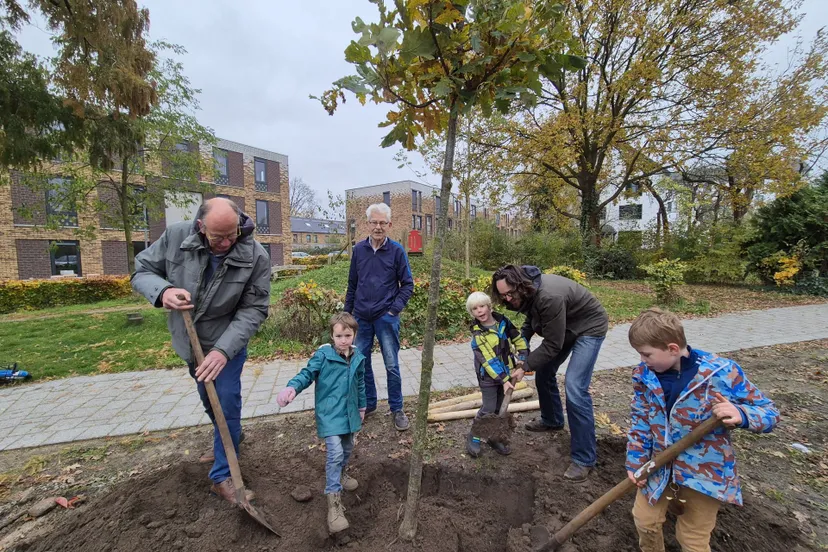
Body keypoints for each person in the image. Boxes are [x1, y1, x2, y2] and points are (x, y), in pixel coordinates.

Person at [131, 198, 271, 504]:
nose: (224, 243)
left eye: (231, 235)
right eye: (217, 237)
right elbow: (141, 270)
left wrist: (223, 351)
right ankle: (230, 437)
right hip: (189, 339)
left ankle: (223, 476)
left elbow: (255, 309)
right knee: (209, 399)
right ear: (200, 227)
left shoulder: (255, 255)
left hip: (227, 342)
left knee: (227, 400)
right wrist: (163, 291)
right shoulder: (175, 237)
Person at [626, 307, 779, 552]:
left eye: (647, 354)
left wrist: (741, 414)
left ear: (673, 349)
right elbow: (640, 420)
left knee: (692, 539)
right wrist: (635, 462)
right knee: (645, 521)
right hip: (658, 467)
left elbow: (769, 413)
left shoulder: (722, 373)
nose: (643, 360)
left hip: (704, 474)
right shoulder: (644, 375)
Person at [491, 264, 608, 482]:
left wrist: (524, 367)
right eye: (502, 296)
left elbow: (553, 344)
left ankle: (584, 459)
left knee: (574, 387)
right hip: (564, 327)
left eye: (509, 294)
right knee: (544, 371)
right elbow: (532, 321)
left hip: (588, 327)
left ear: (520, 286)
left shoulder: (549, 297)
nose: (506, 299)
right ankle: (552, 419)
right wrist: (520, 344)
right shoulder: (529, 292)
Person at [276, 312, 366, 534]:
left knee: (347, 448)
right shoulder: (323, 357)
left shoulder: (358, 357)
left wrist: (362, 407)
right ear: (332, 336)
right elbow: (307, 374)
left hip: (350, 413)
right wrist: (292, 388)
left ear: (354, 334)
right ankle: (333, 503)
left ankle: (342, 474)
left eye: (348, 335)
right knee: (334, 453)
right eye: (339, 335)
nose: (343, 340)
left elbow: (361, 383)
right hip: (329, 413)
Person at [344, 203, 414, 431]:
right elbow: (353, 284)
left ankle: (397, 408)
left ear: (389, 224)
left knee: (392, 365)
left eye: (383, 223)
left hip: (386, 319)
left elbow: (408, 285)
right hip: (362, 318)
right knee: (361, 364)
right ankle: (369, 403)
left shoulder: (396, 251)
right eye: (374, 222)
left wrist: (393, 310)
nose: (378, 227)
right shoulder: (359, 251)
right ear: (367, 224)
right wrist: (347, 315)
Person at [465, 291, 528, 458]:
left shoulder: (503, 322)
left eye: (482, 306)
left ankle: (494, 436)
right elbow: (489, 360)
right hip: (488, 377)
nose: (479, 311)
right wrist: (504, 380)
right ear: (472, 313)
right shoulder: (478, 335)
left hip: (506, 374)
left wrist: (522, 357)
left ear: (489, 306)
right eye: (474, 309)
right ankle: (475, 435)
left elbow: (518, 338)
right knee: (489, 408)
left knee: (501, 406)